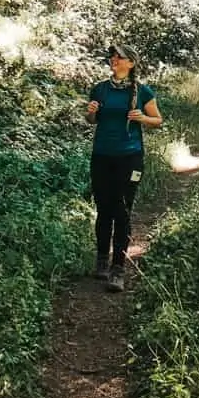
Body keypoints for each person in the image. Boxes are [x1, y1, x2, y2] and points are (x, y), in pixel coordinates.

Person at [86, 42, 162, 292]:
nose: (113, 60)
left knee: (122, 210)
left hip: (130, 157)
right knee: (103, 208)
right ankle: (101, 260)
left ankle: (118, 268)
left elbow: (157, 120)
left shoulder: (142, 91)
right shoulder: (99, 89)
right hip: (101, 156)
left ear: (131, 63)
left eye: (119, 57)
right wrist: (91, 113)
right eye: (112, 56)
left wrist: (143, 118)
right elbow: (91, 120)